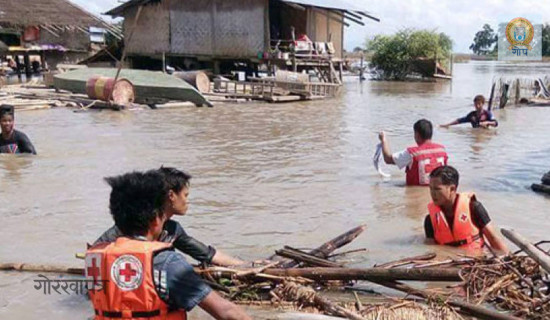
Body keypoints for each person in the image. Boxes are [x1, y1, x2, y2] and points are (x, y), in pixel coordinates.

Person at [85, 170, 251, 320]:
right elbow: (227, 312)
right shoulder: (165, 262)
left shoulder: (95, 258)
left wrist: (245, 265)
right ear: (156, 219)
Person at [94, 167, 244, 267]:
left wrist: (245, 265)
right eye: (185, 195)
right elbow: (96, 255)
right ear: (171, 196)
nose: (187, 201)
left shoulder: (172, 230)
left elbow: (207, 254)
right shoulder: (131, 227)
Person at [424, 165, 509, 253]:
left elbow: (493, 238)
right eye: (431, 189)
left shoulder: (474, 208)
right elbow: (431, 249)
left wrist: (508, 258)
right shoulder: (430, 219)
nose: (432, 194)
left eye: (437, 189)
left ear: (452, 189)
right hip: (448, 262)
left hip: (476, 260)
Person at [378, 119, 448, 186]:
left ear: (417, 135)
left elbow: (388, 159)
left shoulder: (411, 153)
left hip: (417, 190)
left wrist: (383, 140)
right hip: (436, 191)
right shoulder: (442, 150)